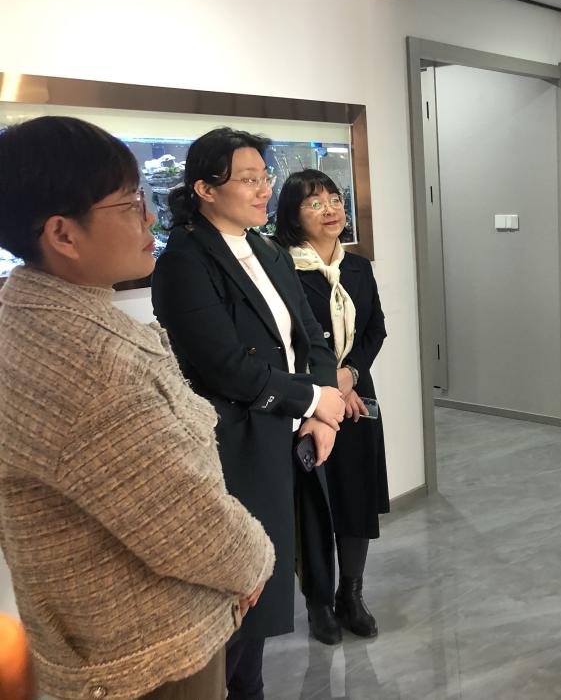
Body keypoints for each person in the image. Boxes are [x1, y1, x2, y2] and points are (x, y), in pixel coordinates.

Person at [0, 116, 275, 699]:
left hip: (100, 638)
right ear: (63, 234)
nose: (149, 217)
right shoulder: (87, 364)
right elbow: (182, 520)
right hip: (146, 648)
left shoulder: (31, 321)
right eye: (129, 204)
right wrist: (252, 563)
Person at [150, 128, 344, 699]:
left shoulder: (265, 248)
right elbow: (226, 367)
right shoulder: (185, 260)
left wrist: (321, 413)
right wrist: (314, 401)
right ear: (205, 189)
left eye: (266, 176)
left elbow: (312, 336)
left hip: (291, 436)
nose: (265, 190)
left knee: (271, 581)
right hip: (237, 444)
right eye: (249, 179)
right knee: (239, 596)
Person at [274, 169, 390, 644]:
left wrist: (350, 376)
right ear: (292, 214)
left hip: (356, 398)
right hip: (306, 403)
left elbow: (375, 329)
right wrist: (327, 387)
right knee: (314, 503)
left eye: (335, 199)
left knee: (355, 496)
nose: (331, 210)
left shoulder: (358, 267)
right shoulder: (280, 267)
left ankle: (352, 594)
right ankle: (318, 602)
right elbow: (284, 341)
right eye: (315, 203)